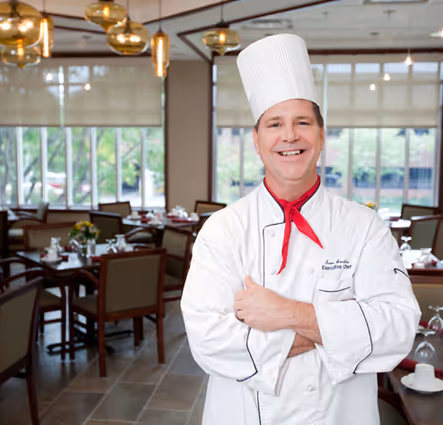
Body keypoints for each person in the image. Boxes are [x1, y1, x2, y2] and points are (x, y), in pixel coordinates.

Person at [180, 34, 421, 425]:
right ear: (257, 141)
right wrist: (337, 328)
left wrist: (284, 312)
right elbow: (207, 340)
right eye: (275, 124)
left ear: (321, 136)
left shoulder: (365, 228)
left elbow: (397, 329)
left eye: (302, 122)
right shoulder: (223, 230)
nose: (289, 135)